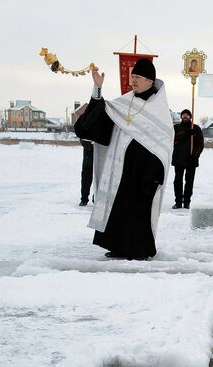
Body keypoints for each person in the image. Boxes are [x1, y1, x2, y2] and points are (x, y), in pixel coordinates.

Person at [74, 58, 174, 260]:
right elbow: (97, 119)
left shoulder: (159, 110)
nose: (133, 81)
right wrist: (97, 89)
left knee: (139, 212)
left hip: (145, 172)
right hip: (119, 170)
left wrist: (155, 175)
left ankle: (139, 250)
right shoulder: (124, 103)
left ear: (150, 81)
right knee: (118, 208)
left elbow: (164, 144)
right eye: (132, 76)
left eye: (138, 77)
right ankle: (117, 246)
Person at [172, 109, 204, 209]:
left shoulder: (196, 128)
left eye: (187, 115)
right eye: (183, 115)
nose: (185, 116)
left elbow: (200, 144)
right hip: (178, 159)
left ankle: (186, 202)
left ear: (190, 117)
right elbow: (173, 140)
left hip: (191, 160)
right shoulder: (176, 128)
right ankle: (178, 202)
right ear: (181, 116)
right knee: (178, 181)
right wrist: (186, 134)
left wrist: (195, 156)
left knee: (189, 182)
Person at [79, 138, 94, 206]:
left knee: (101, 175)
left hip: (101, 146)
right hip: (89, 148)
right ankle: (84, 198)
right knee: (86, 175)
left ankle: (96, 196)